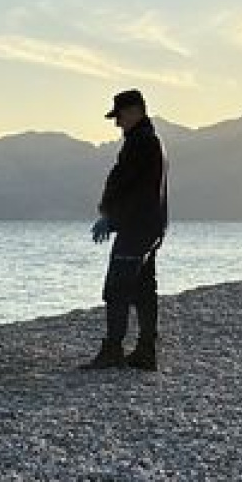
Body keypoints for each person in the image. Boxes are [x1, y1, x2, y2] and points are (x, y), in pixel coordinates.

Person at [82, 88, 169, 371]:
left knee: (117, 289)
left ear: (134, 111)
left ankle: (113, 350)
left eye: (119, 116)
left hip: (136, 228)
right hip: (150, 227)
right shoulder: (150, 141)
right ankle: (145, 351)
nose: (117, 123)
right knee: (144, 287)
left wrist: (112, 218)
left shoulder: (141, 143)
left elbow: (132, 190)